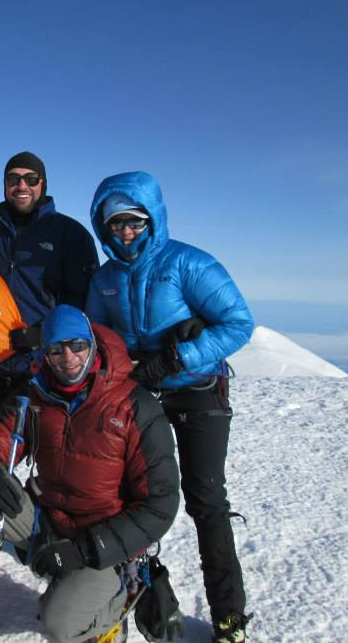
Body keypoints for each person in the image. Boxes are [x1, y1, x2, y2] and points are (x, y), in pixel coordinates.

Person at [0, 304, 180, 643]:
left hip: (104, 543)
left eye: (77, 345)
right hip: (47, 523)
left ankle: (114, 604)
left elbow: (160, 505)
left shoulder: (135, 406)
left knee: (60, 624)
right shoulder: (34, 395)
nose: (69, 358)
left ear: (92, 344)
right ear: (45, 354)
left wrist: (84, 551)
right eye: (56, 349)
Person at [84, 171, 255, 643]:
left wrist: (181, 357)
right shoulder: (105, 278)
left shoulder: (188, 263)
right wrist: (123, 366)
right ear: (103, 226)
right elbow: (98, 338)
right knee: (125, 494)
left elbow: (239, 323)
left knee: (206, 499)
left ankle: (229, 617)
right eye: (115, 223)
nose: (126, 232)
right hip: (142, 391)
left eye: (134, 221)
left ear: (152, 219)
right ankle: (129, 592)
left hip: (199, 389)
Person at [0, 151, 98, 444]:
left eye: (30, 179)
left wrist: (44, 335)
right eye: (13, 179)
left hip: (45, 368)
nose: (21, 186)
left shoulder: (70, 235)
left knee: (47, 453)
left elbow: (84, 301)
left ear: (43, 184)